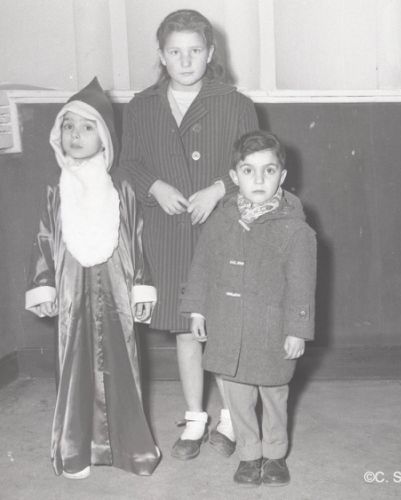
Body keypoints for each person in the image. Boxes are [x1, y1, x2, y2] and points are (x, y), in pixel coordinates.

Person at [119, 9, 259, 460]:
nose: (185, 60)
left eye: (194, 50)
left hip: (222, 230)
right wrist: (155, 187)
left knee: (224, 327)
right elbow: (128, 162)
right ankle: (196, 418)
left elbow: (255, 162)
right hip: (168, 234)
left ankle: (232, 418)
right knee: (185, 329)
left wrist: (219, 188)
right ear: (162, 55)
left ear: (210, 53)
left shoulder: (235, 103)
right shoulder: (141, 106)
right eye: (175, 51)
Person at [25, 78, 161, 478]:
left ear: (104, 137)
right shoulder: (55, 188)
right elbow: (44, 237)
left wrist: (141, 287)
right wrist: (43, 285)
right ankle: (75, 450)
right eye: (68, 126)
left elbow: (135, 237)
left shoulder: (121, 187)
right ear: (58, 135)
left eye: (87, 127)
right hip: (72, 292)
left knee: (123, 364)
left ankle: (131, 448)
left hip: (115, 289)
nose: (76, 135)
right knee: (74, 365)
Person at [180, 130, 317, 487]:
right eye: (248, 170)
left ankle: (275, 455)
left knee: (274, 395)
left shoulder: (295, 229)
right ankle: (249, 455)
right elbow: (202, 267)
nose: (258, 180)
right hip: (229, 328)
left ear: (281, 177)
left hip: (272, 330)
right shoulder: (220, 220)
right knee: (237, 396)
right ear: (234, 176)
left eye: (268, 171)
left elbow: (302, 286)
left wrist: (298, 330)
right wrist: (197, 310)